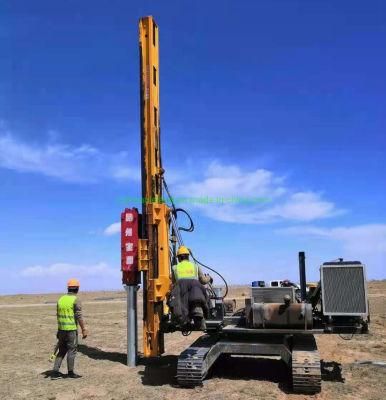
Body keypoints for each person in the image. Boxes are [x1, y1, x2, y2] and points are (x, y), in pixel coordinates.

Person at [51, 278, 88, 380]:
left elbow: (58, 315)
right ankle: (70, 373)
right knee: (72, 350)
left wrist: (59, 330)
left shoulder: (61, 299)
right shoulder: (76, 299)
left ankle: (55, 372)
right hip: (71, 330)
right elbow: (79, 316)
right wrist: (84, 329)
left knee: (61, 350)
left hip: (62, 329)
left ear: (68, 288)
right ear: (77, 288)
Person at [170, 246, 212, 330]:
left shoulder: (175, 268)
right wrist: (209, 278)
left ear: (179, 258)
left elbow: (174, 283)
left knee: (180, 303)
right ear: (188, 256)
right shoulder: (195, 266)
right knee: (198, 297)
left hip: (181, 287)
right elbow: (203, 280)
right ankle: (198, 311)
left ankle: (183, 320)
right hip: (195, 287)